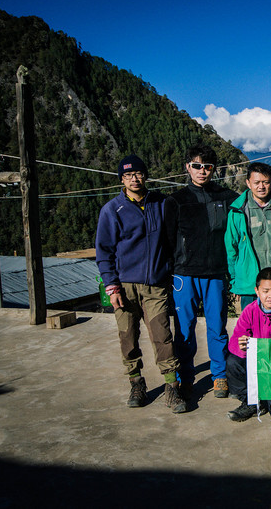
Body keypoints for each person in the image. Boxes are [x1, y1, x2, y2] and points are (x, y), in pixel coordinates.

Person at [95, 154, 187, 413]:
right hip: (124, 286)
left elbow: (171, 240)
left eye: (138, 174)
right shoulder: (113, 210)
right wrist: (111, 286)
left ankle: (172, 386)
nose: (134, 179)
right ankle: (136, 382)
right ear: (121, 180)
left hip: (155, 285)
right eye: (127, 175)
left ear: (145, 175)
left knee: (162, 335)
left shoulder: (160, 203)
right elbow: (104, 252)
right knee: (128, 337)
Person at [165, 145, 238, 400]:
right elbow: (167, 239)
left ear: (213, 169)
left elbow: (254, 199)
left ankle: (219, 376)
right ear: (187, 167)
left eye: (207, 166)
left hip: (215, 273)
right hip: (184, 274)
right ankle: (185, 377)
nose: (202, 171)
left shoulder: (228, 197)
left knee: (217, 327)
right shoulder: (176, 201)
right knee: (184, 328)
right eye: (196, 165)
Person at [225, 267, 271, 423]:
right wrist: (242, 347)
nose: (270, 296)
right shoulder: (249, 311)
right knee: (233, 361)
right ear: (257, 291)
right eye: (265, 291)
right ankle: (252, 401)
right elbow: (234, 345)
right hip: (257, 367)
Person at [225, 162, 271, 311]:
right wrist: (235, 281)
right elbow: (231, 249)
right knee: (250, 328)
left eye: (266, 182)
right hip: (249, 283)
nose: (261, 187)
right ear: (248, 183)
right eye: (256, 182)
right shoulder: (238, 212)